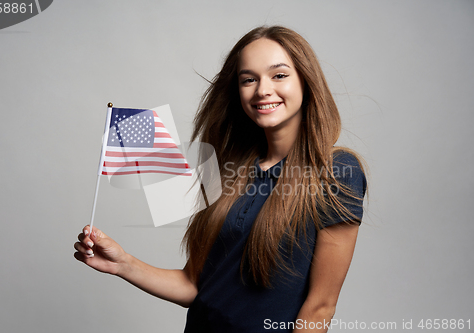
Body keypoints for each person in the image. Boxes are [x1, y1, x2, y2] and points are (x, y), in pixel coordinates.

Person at [74, 26, 367, 333]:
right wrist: (123, 264)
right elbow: (194, 286)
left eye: (279, 75)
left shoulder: (336, 171)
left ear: (306, 82)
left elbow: (320, 307)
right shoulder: (225, 169)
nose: (262, 90)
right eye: (248, 79)